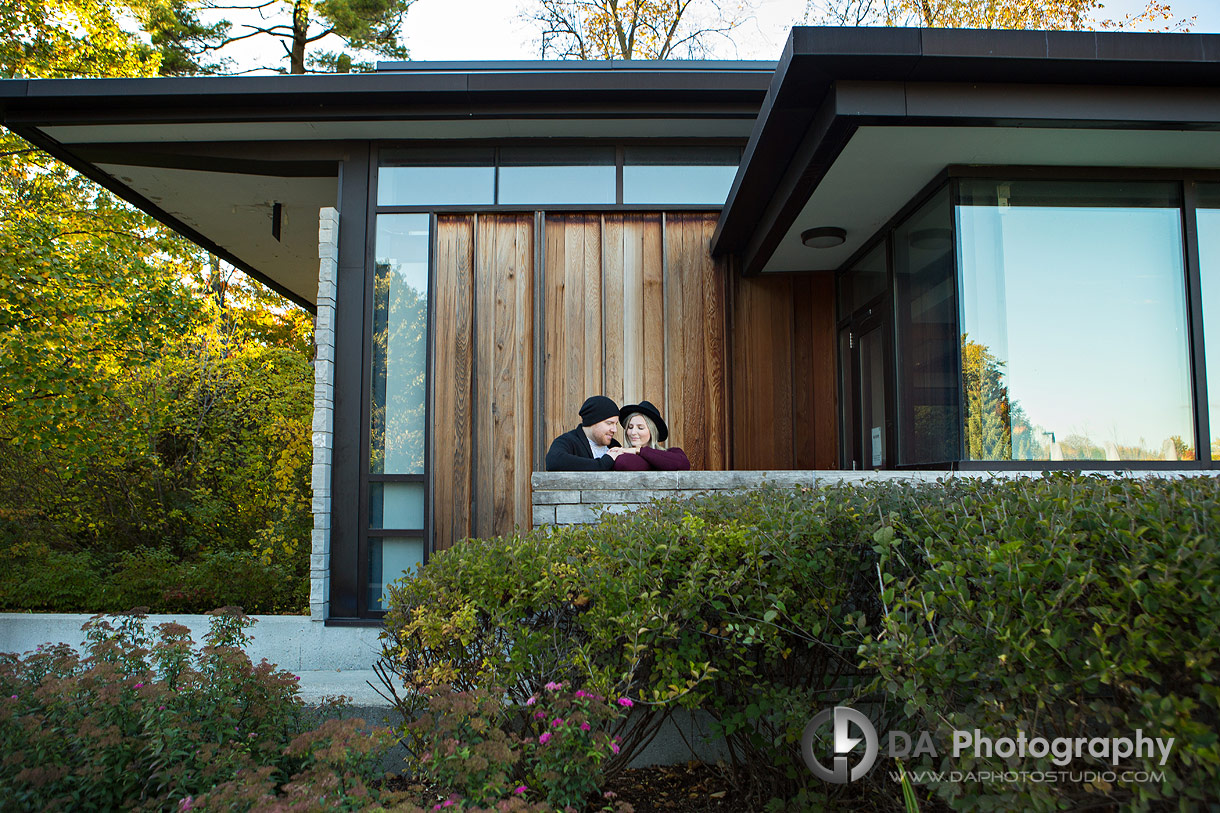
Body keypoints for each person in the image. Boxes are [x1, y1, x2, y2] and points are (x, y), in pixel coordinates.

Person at [545, 395, 625, 471]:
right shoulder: (568, 441)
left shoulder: (613, 445)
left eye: (616, 424)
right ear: (593, 421)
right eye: (609, 423)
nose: (615, 430)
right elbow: (554, 460)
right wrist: (603, 463)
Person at [613, 400, 691, 471]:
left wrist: (639, 451)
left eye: (640, 428)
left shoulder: (672, 452)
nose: (633, 432)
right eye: (630, 427)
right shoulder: (621, 454)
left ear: (652, 431)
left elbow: (683, 464)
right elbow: (623, 463)